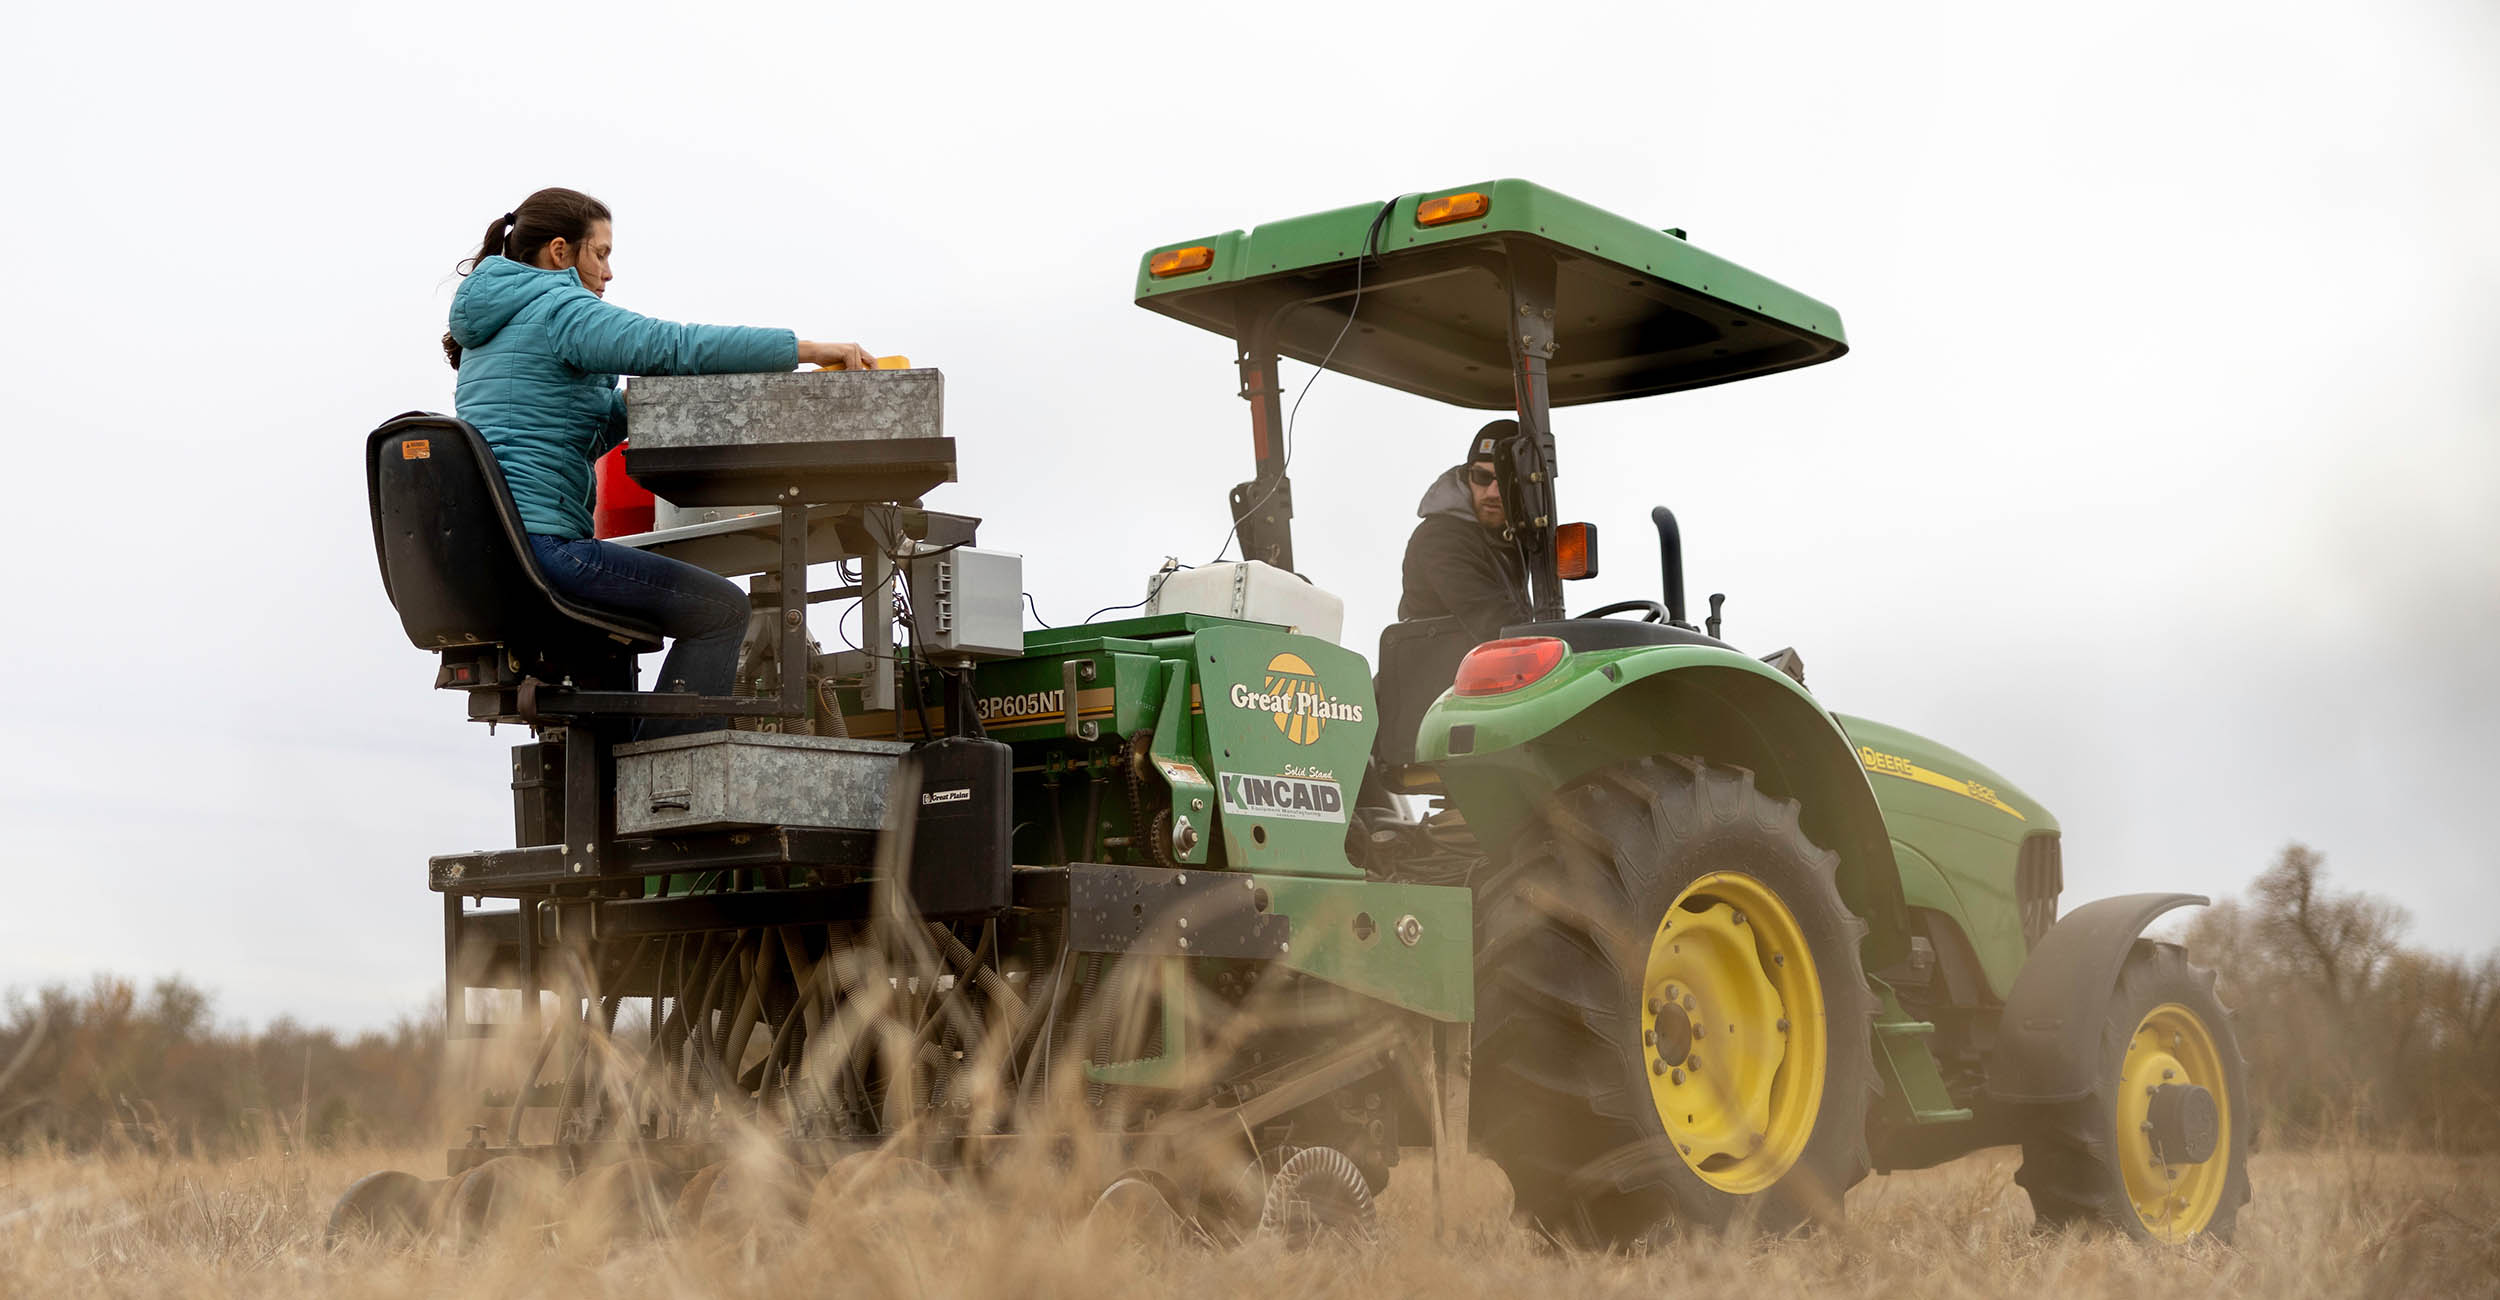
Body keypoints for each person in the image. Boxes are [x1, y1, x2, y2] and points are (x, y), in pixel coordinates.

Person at [441, 187, 875, 737]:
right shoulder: (559, 310)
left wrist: (645, 406)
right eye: (600, 253)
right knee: (722, 611)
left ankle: (622, 779)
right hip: (548, 550)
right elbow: (674, 346)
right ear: (559, 252)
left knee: (621, 643)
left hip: (499, 555)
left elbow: (570, 430)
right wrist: (807, 350)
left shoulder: (492, 331)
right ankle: (670, 777)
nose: (609, 271)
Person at [1396, 419, 1531, 641]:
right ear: (1467, 477)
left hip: (1482, 669)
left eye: (1505, 480)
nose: (1492, 493)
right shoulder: (1441, 539)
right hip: (1435, 672)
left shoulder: (1512, 540)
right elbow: (1497, 625)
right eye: (1482, 477)